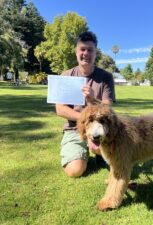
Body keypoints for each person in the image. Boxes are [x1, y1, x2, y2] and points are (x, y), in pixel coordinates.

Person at [56, 31, 115, 178]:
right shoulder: (66, 76)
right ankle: (86, 154)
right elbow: (60, 109)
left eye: (90, 50)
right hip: (74, 129)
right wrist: (86, 121)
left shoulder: (106, 77)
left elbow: (107, 109)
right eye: (82, 49)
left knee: (118, 155)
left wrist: (93, 100)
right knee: (74, 171)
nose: (86, 53)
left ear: (96, 53)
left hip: (100, 127)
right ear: (76, 51)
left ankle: (99, 154)